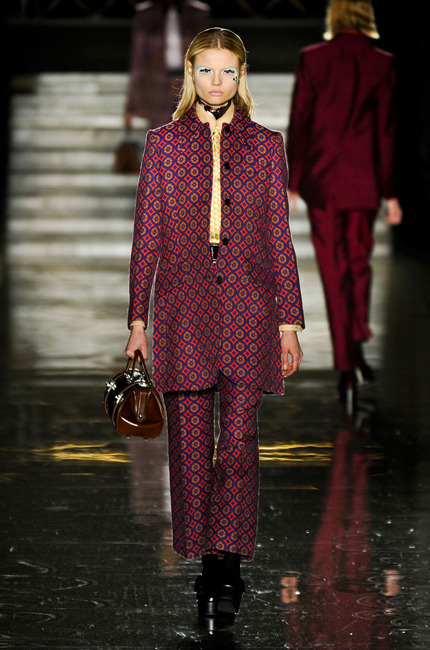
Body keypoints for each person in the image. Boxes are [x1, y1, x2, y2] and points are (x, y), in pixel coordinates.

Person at [124, 27, 304, 621]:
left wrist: (289, 322)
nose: (217, 81)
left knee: (241, 441)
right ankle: (206, 561)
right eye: (206, 70)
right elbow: (146, 235)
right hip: (184, 308)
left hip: (250, 307)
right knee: (190, 441)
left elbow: (278, 236)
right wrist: (137, 319)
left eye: (228, 71)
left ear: (241, 75)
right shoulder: (164, 144)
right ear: (190, 74)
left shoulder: (266, 145)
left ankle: (227, 567)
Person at [286, 0, 402, 408]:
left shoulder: (313, 59)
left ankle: (345, 366)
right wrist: (390, 192)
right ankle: (355, 344)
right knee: (358, 263)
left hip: (322, 178)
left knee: (334, 270)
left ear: (333, 16)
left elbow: (300, 120)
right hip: (364, 179)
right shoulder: (382, 63)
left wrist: (293, 182)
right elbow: (385, 133)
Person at [124, 0, 210, 130]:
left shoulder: (196, 12)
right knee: (161, 131)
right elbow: (139, 60)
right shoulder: (147, 13)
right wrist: (131, 106)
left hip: (188, 82)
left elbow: (204, 54)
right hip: (156, 86)